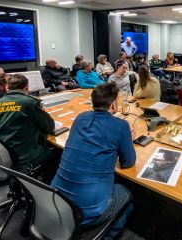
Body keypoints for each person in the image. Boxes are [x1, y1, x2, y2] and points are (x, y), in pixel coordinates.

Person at [51, 82, 136, 238]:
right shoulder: (121, 126)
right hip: (87, 212)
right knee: (126, 193)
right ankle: (108, 234)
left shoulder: (80, 118)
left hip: (55, 201)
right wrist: (127, 138)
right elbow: (128, 163)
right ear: (113, 104)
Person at [0, 74, 55, 175]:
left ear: (7, 88)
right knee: (56, 152)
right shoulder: (29, 102)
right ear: (26, 88)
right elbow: (49, 127)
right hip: (23, 158)